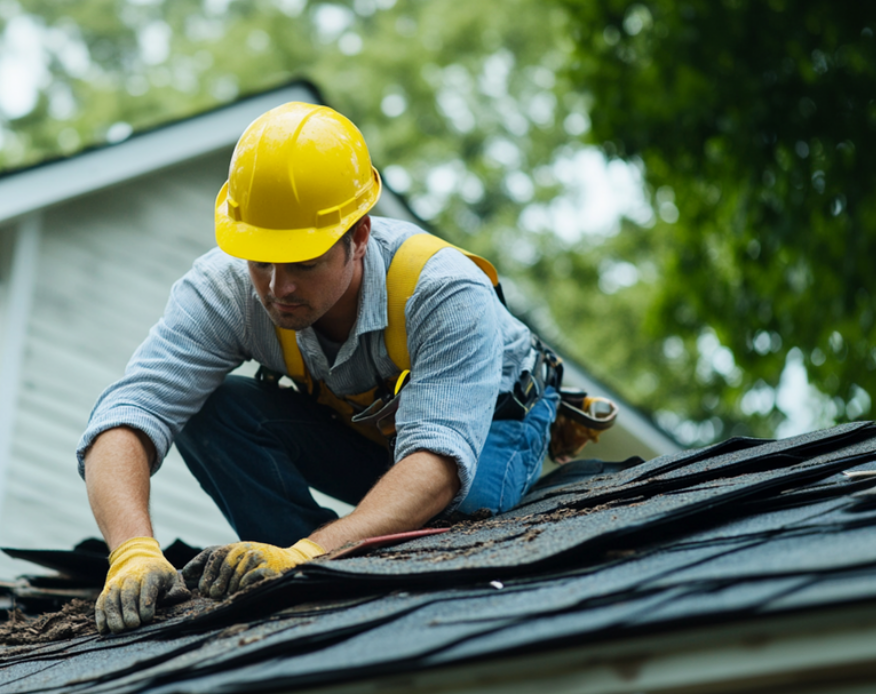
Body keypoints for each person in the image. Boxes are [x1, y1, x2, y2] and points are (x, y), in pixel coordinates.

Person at [78, 102, 559, 633]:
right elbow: (128, 412)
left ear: (358, 238)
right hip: (372, 429)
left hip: (490, 422)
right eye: (261, 260)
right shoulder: (222, 290)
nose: (278, 288)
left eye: (304, 263)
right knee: (212, 413)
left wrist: (313, 551)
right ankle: (298, 575)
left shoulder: (443, 289)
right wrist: (131, 550)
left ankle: (318, 555)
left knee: (449, 541)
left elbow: (439, 462)